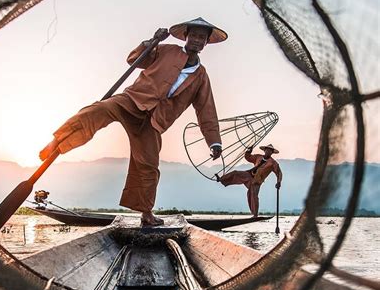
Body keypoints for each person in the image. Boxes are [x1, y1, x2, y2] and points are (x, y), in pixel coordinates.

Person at [39, 17, 227, 226]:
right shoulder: (165, 50)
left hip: (155, 121)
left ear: (206, 43)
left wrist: (214, 142)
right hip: (134, 100)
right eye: (194, 35)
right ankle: (58, 141)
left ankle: (146, 213)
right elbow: (134, 59)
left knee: (149, 166)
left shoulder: (201, 76)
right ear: (186, 36)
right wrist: (151, 42)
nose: (197, 40)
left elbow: (206, 110)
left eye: (202, 38)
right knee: (99, 109)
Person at [216, 144, 282, 217]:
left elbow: (279, 173)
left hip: (257, 181)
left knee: (253, 195)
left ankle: (255, 215)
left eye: (270, 151)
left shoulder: (273, 163)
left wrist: (279, 182)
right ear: (264, 150)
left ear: (272, 152)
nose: (268, 151)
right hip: (249, 174)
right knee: (236, 173)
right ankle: (221, 179)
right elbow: (248, 157)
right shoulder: (258, 157)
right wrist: (248, 151)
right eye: (267, 150)